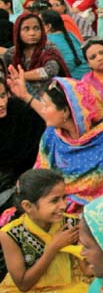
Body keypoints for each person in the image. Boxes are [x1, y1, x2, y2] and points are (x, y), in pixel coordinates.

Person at [8, 74, 103, 210]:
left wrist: (79, 205)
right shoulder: (51, 135)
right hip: (53, 205)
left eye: (46, 105)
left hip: (98, 212)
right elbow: (41, 172)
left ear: (65, 111)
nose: (42, 110)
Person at [0, 169, 90, 293]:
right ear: (27, 206)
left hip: (70, 287)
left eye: (64, 198)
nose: (63, 205)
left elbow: (87, 270)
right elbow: (23, 284)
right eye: (54, 200)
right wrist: (53, 248)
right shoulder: (10, 233)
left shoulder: (72, 224)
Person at [0, 75, 45, 213]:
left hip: (28, 180)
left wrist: (26, 96)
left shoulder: (19, 111)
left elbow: (53, 119)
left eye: (2, 95)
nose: (1, 103)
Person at [2, 12, 69, 97]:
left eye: (36, 28)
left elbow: (50, 71)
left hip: (47, 98)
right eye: (26, 29)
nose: (32, 33)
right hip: (18, 98)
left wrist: (20, 76)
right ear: (18, 32)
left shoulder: (49, 48)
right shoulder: (12, 53)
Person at [40, 10, 89, 79]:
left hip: (71, 81)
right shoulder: (70, 34)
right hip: (88, 74)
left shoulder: (47, 40)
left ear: (48, 26)